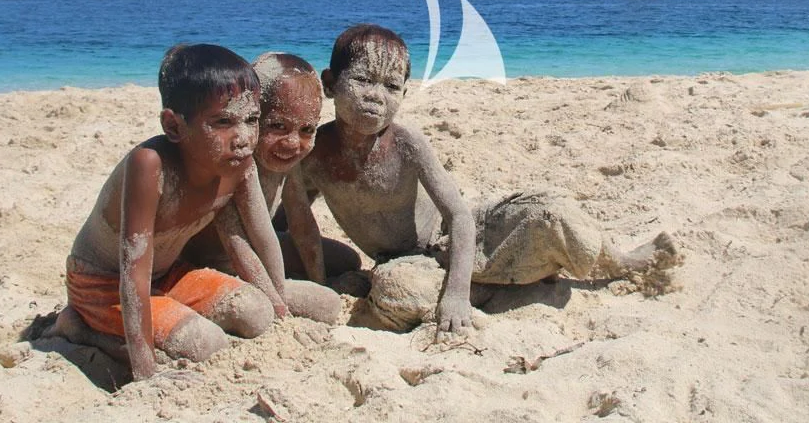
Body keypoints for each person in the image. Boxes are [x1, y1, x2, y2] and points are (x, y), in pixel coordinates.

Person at [285, 24, 680, 337]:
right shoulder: (314, 154)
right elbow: (300, 224)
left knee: (551, 211)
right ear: (331, 83)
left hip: (461, 235)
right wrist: (321, 282)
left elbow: (458, 217)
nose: (376, 97)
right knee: (393, 290)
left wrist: (455, 296)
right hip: (403, 263)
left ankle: (617, 261)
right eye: (363, 80)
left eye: (391, 87)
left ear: (405, 93)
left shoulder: (407, 143)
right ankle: (491, 287)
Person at [56, 44, 289, 381]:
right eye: (223, 122)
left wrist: (280, 305)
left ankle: (166, 319)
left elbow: (261, 235)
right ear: (174, 126)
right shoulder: (150, 165)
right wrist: (145, 370)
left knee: (256, 313)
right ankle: (80, 330)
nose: (242, 138)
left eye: (251, 119)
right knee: (204, 343)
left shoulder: (238, 163)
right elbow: (132, 271)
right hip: (102, 282)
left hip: (169, 275)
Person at [182, 52, 359, 308]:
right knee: (327, 305)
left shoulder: (287, 163)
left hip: (260, 249)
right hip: (215, 264)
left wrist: (317, 278)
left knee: (347, 260)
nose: (291, 143)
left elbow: (301, 222)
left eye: (307, 130)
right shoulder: (232, 164)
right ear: (251, 119)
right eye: (277, 126)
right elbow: (235, 243)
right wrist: (276, 297)